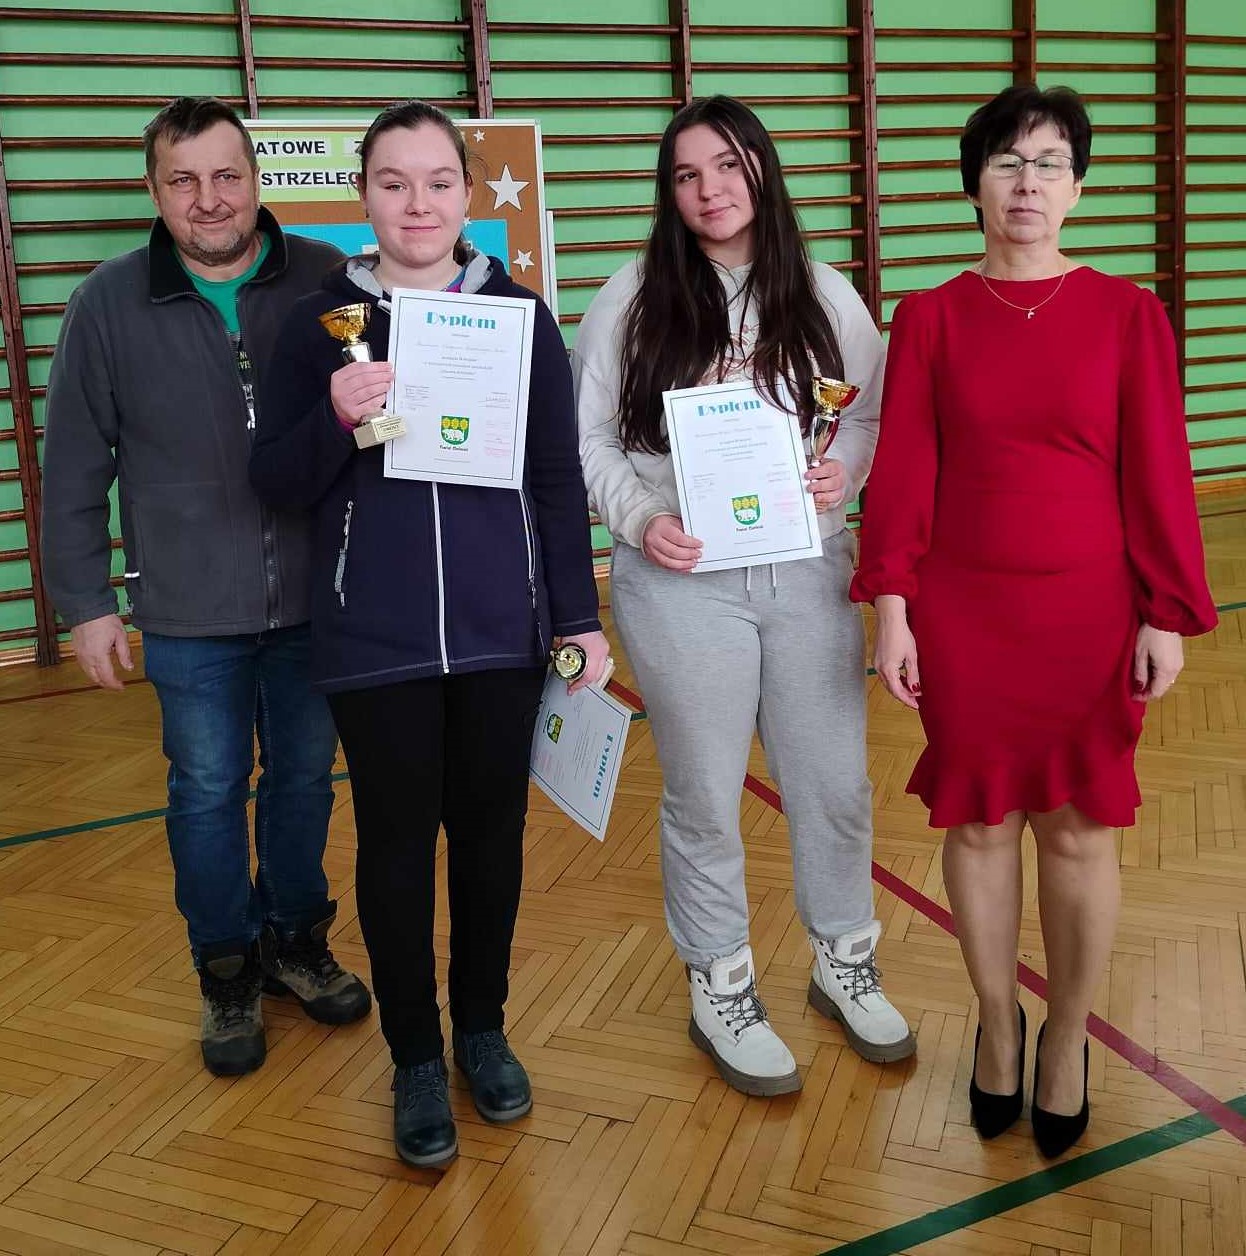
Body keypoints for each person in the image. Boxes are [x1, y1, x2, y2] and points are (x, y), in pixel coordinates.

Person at [850, 84, 1217, 1157]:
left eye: (1049, 162)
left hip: (1087, 613)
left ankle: (1066, 1034)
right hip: (963, 611)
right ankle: (999, 1023)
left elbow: (1159, 471)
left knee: (1078, 826)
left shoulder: (1127, 313)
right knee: (976, 823)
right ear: (973, 183)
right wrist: (891, 608)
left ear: (1078, 187)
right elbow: (903, 473)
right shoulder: (929, 316)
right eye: (1007, 162)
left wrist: (1165, 611)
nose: (1027, 182)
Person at [249, 100, 608, 1170]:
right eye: (394, 182)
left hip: (503, 635)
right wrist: (337, 419)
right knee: (397, 848)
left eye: (438, 182)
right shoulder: (314, 322)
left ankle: (482, 1029)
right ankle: (414, 1054)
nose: (417, 204)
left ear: (467, 194)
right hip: (376, 637)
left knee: (491, 841)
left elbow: (555, 478)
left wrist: (577, 616)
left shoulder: (520, 315)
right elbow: (275, 480)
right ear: (364, 194)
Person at [574, 95, 915, 1099]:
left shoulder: (823, 291)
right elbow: (588, 439)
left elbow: (870, 415)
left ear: (760, 168)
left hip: (808, 574)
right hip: (681, 583)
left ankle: (843, 960)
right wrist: (642, 519)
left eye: (726, 165)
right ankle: (720, 983)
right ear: (668, 192)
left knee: (833, 784)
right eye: (687, 175)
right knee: (705, 794)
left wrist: (845, 471)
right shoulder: (631, 296)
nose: (710, 189)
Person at [40, 97, 372, 1078]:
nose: (209, 198)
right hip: (188, 613)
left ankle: (297, 941)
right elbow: (73, 466)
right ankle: (227, 968)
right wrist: (87, 604)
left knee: (305, 781)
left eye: (227, 175)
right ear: (154, 192)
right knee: (207, 792)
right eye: (183, 180)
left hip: (317, 600)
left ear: (256, 181)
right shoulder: (106, 303)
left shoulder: (326, 278)